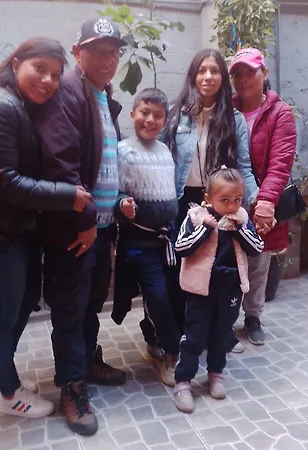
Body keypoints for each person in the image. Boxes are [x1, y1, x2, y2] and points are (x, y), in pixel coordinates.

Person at [0, 38, 91, 419]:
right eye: (39, 69)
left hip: (10, 228)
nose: (48, 81)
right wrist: (67, 195)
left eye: (56, 75)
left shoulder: (19, 104)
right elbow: (3, 181)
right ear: (16, 65)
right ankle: (10, 394)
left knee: (24, 301)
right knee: (3, 314)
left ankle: (1, 371)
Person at [33, 17, 127, 435]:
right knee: (71, 309)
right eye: (98, 51)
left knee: (90, 303)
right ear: (78, 53)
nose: (108, 59)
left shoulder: (102, 95)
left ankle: (87, 361)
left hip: (100, 227)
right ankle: (71, 387)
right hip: (75, 230)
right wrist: (86, 221)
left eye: (114, 52)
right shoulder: (68, 93)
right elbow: (61, 166)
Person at [162, 48, 258, 345]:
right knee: (182, 266)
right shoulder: (176, 114)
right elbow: (163, 158)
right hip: (182, 199)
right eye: (202, 70)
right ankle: (185, 332)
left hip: (219, 203)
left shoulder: (234, 119)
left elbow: (243, 166)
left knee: (218, 269)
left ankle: (219, 333)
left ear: (222, 78)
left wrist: (256, 202)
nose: (208, 76)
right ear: (193, 75)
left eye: (214, 71)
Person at [172, 167, 264, 413]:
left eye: (237, 199)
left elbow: (257, 248)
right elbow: (180, 247)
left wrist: (241, 229)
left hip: (230, 289)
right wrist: (205, 228)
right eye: (225, 200)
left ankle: (215, 373)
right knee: (194, 336)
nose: (232, 206)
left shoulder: (241, 218)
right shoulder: (195, 217)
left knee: (222, 334)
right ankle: (182, 381)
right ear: (208, 198)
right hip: (200, 291)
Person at [229, 47, 297, 346]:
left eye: (250, 72)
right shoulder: (225, 108)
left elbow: (280, 162)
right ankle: (225, 319)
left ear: (264, 73)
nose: (243, 79)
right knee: (227, 263)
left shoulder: (279, 113)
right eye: (238, 74)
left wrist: (265, 202)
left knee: (258, 262)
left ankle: (253, 316)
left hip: (260, 201)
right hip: (226, 200)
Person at [115, 88, 181, 386]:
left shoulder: (165, 151)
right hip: (140, 243)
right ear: (132, 114)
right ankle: (173, 353)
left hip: (167, 241)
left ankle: (156, 340)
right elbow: (114, 190)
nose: (150, 120)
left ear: (165, 121)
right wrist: (122, 204)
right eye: (145, 112)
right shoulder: (123, 151)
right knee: (157, 296)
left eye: (157, 115)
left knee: (173, 294)